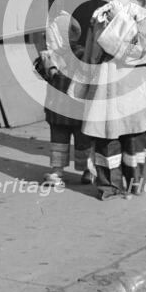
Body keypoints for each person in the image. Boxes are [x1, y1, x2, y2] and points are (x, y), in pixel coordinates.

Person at [77, 0, 146, 200]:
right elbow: (92, 52)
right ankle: (109, 186)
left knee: (135, 135)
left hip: (133, 82)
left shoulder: (142, 14)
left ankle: (136, 182)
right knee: (107, 136)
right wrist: (85, 81)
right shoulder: (99, 15)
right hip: (106, 83)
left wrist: (117, 28)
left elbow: (142, 51)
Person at [35, 11, 93, 189]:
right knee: (71, 139)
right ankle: (75, 170)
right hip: (66, 109)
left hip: (68, 107)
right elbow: (42, 73)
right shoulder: (51, 55)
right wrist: (45, 64)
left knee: (75, 140)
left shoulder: (80, 54)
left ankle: (82, 170)